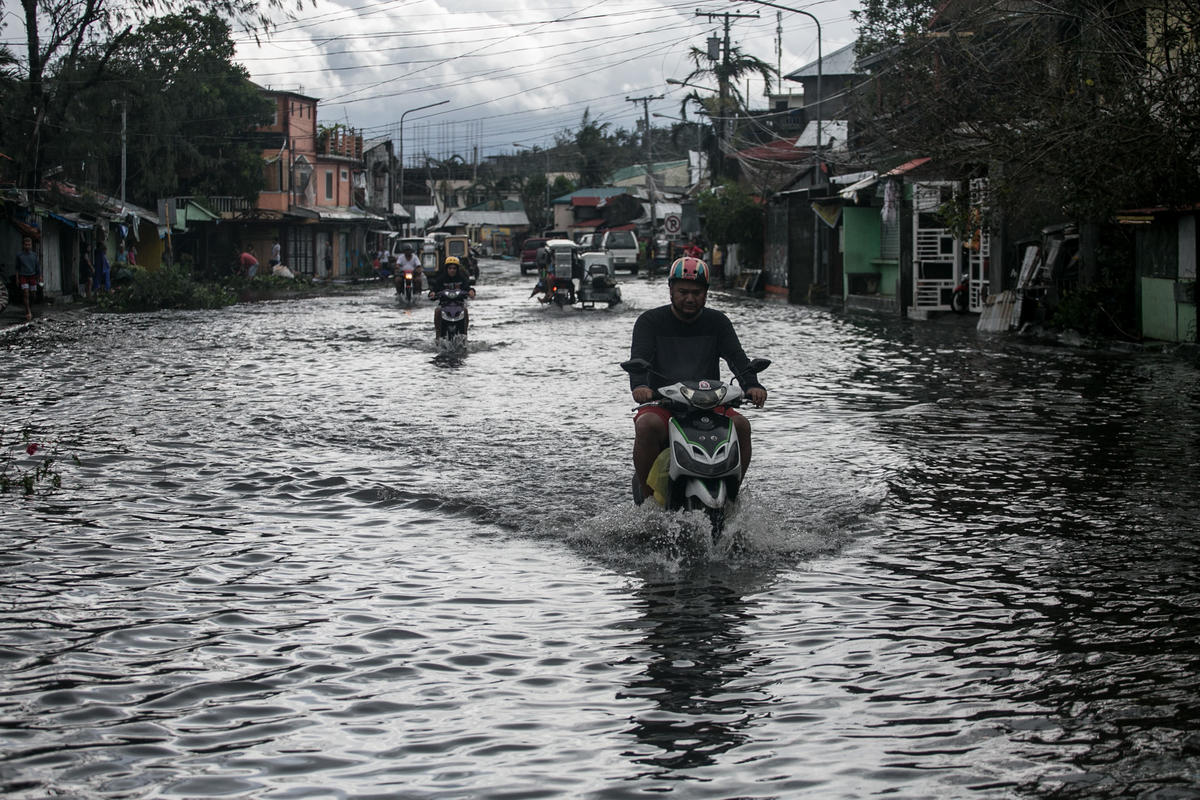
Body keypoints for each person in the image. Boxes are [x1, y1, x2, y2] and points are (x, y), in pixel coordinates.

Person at [626, 256, 767, 504]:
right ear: (670, 290)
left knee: (742, 426)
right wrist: (641, 386)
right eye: (683, 292)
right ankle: (648, 504)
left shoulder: (718, 322)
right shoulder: (649, 322)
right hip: (664, 406)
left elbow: (737, 359)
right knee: (646, 425)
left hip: (711, 405)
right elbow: (639, 360)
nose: (690, 298)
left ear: (706, 293)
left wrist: (752, 385)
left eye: (696, 292)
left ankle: (732, 498)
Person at [427, 256, 475, 336]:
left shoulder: (462, 278)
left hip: (459, 304)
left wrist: (471, 291)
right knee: (437, 311)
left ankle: (464, 334)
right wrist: (432, 294)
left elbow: (468, 288)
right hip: (444, 305)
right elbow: (434, 290)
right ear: (446, 269)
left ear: (457, 269)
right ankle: (438, 335)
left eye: (454, 268)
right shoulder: (441, 279)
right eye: (450, 268)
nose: (452, 270)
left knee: (465, 311)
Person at [15, 237, 40, 321]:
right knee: (25, 293)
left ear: (31, 245)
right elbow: (17, 268)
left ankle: (29, 306)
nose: (27, 246)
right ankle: (28, 311)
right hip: (23, 276)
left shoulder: (34, 255)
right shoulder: (19, 255)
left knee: (33, 295)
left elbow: (37, 267)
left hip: (32, 276)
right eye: (26, 245)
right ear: (23, 245)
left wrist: (39, 276)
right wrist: (17, 278)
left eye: (29, 245)